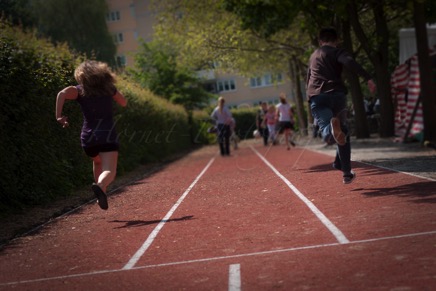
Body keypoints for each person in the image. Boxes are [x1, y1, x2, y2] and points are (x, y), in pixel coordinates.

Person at [306, 27, 376, 184]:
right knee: (343, 131)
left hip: (317, 95)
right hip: (337, 94)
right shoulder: (338, 52)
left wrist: (309, 98)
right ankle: (345, 171)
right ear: (336, 40)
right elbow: (349, 62)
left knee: (327, 127)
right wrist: (368, 78)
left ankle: (329, 131)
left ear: (320, 41)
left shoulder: (313, 56)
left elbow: (308, 77)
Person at [55, 60, 128, 210]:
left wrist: (59, 116)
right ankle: (101, 185)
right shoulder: (108, 89)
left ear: (81, 76)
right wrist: (113, 92)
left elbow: (61, 93)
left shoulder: (79, 90)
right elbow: (123, 103)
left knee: (97, 162)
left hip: (88, 139)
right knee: (110, 171)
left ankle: (101, 192)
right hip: (107, 135)